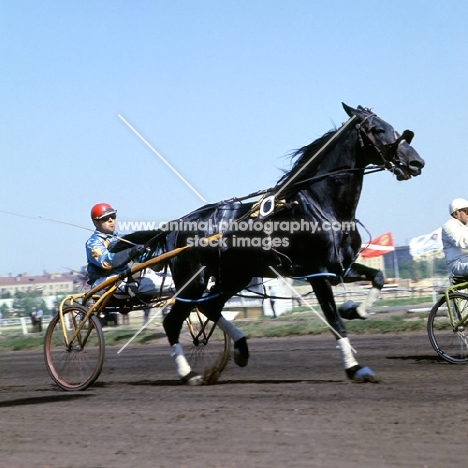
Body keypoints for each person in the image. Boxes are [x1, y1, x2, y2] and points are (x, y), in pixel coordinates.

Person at [86, 203, 172, 300]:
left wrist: (161, 255)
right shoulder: (93, 243)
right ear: (96, 222)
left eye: (113, 216)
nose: (111, 220)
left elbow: (142, 258)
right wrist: (131, 252)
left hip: (125, 277)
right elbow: (107, 262)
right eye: (106, 218)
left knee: (168, 276)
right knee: (172, 283)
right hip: (103, 282)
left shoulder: (122, 237)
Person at [442, 198, 468, 277]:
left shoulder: (466, 226)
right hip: (457, 263)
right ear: (455, 214)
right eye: (466, 211)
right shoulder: (448, 226)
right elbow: (462, 241)